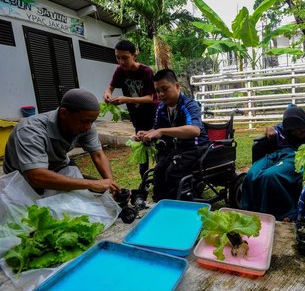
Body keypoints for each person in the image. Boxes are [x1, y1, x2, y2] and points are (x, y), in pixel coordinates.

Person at [3, 88, 120, 195]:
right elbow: (36, 176)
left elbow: (98, 155)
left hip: (58, 166)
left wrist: (110, 184)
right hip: (22, 178)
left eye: (92, 121)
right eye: (85, 121)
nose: (89, 127)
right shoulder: (31, 131)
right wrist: (92, 184)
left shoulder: (86, 125)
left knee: (91, 197)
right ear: (64, 113)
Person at [241, 106, 305, 221]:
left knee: (271, 176)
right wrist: (269, 130)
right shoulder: (284, 126)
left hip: (298, 155)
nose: (297, 132)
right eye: (293, 130)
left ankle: (285, 214)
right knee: (251, 174)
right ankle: (250, 211)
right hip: (276, 154)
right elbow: (272, 129)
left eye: (301, 129)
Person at [136, 69, 210, 201]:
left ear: (177, 86)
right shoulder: (161, 108)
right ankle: (160, 204)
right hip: (178, 150)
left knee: (173, 172)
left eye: (165, 89)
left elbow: (194, 130)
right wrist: (146, 134)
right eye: (158, 91)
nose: (161, 94)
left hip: (197, 148)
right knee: (158, 171)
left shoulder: (189, 105)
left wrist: (162, 131)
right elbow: (156, 129)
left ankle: (182, 205)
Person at [103, 40, 156, 179]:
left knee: (158, 146)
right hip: (137, 115)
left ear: (134, 55)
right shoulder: (120, 71)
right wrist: (107, 94)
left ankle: (161, 175)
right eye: (117, 58)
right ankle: (144, 179)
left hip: (153, 114)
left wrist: (126, 99)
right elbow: (110, 87)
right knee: (140, 147)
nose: (121, 62)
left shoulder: (146, 71)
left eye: (125, 58)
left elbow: (150, 98)